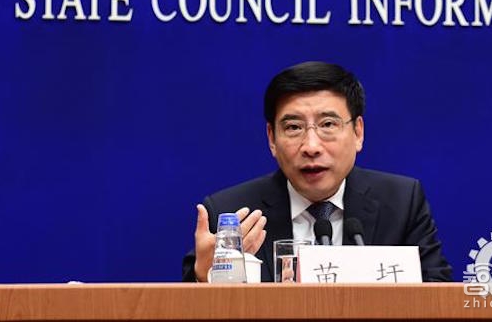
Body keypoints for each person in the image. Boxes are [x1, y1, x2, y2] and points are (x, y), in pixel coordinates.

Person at [182, 61, 452, 282]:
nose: (311, 146)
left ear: (358, 132)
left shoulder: (402, 203)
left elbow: (437, 298)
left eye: (328, 124)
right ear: (272, 138)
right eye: (293, 127)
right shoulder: (230, 215)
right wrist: (204, 277)